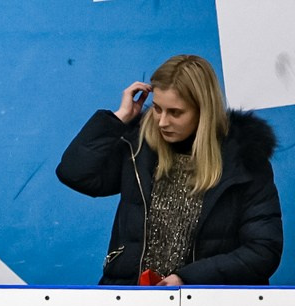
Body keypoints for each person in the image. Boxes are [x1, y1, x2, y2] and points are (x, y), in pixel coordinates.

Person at [56, 54, 282, 286]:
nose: (162, 122)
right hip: (131, 297)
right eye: (157, 108)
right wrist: (120, 117)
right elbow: (75, 174)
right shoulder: (138, 145)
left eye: (175, 112)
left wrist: (188, 279)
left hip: (205, 302)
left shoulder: (243, 161)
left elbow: (263, 250)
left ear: (203, 110)